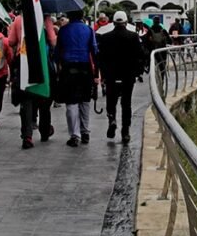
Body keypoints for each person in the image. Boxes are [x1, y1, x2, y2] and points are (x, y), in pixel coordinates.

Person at [8, 10, 57, 148]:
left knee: (26, 98)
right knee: (44, 98)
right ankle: (44, 130)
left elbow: (11, 41)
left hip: (23, 61)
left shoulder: (18, 19)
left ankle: (27, 136)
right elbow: (53, 41)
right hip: (42, 63)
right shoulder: (45, 18)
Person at [97, 11, 144, 143]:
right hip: (128, 76)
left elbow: (101, 58)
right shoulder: (133, 37)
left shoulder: (105, 37)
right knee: (126, 103)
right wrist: (137, 72)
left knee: (111, 100)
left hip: (111, 76)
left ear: (113, 22)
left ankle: (112, 119)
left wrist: (104, 74)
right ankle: (125, 131)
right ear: (125, 22)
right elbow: (140, 56)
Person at [55, 9, 98, 147]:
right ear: (82, 16)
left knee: (71, 102)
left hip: (68, 69)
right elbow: (94, 50)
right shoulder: (88, 30)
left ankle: (75, 135)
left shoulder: (63, 31)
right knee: (85, 100)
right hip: (85, 68)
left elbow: (57, 53)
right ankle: (85, 131)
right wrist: (96, 73)